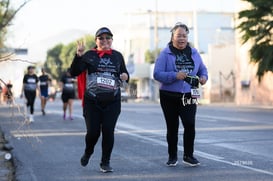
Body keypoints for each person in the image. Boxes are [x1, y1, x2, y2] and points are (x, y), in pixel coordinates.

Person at [70, 27, 129, 173]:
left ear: (112, 40)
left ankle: (105, 162)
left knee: (108, 131)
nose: (104, 41)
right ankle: (88, 151)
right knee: (93, 132)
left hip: (113, 101)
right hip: (92, 101)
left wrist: (125, 77)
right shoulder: (89, 55)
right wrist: (78, 55)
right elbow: (74, 72)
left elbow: (125, 73)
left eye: (107, 38)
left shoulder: (117, 56)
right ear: (96, 41)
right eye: (101, 38)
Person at [153, 22, 208, 167]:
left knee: (190, 124)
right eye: (178, 36)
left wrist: (203, 78)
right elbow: (157, 74)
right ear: (172, 37)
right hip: (169, 95)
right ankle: (172, 156)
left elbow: (203, 69)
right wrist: (174, 75)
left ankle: (188, 155)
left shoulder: (194, 53)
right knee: (172, 127)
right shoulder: (165, 53)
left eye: (184, 35)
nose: (182, 38)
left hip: (190, 94)